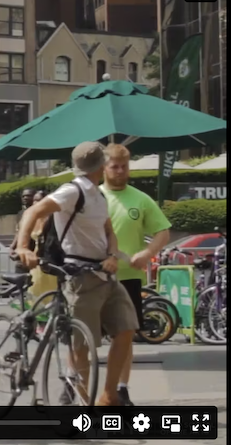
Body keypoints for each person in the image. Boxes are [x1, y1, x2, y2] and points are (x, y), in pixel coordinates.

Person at [15, 141, 139, 407]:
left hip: (104, 273)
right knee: (82, 345)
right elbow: (34, 210)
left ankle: (109, 395)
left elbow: (108, 232)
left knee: (127, 329)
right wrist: (23, 246)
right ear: (102, 165)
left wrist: (113, 255)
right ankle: (84, 408)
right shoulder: (72, 191)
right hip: (80, 275)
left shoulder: (98, 194)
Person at [100, 144, 170, 406]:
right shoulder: (93, 197)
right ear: (104, 167)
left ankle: (121, 388)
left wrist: (148, 252)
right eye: (114, 166)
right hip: (95, 277)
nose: (120, 171)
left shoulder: (140, 199)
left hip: (129, 278)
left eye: (124, 166)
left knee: (125, 336)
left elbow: (163, 231)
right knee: (83, 336)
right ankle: (76, 388)